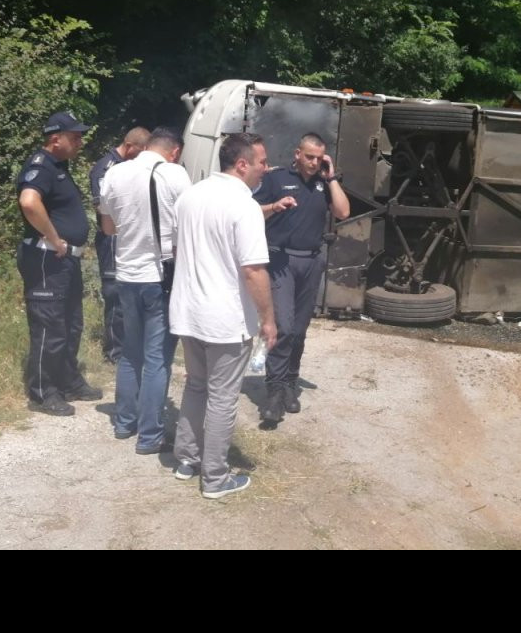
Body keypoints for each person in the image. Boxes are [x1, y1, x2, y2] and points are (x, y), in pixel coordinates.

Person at [169, 133, 277, 499]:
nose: (266, 168)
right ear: (242, 164)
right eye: (262, 161)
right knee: (222, 397)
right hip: (224, 319)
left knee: (196, 386)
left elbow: (178, 248)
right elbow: (254, 271)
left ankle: (187, 459)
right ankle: (215, 478)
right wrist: (268, 319)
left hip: (188, 311)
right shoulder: (243, 205)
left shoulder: (190, 196)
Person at [98, 126, 191, 454]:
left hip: (126, 275)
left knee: (130, 352)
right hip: (159, 278)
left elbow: (108, 227)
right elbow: (187, 231)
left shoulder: (114, 174)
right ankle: (150, 436)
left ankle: (124, 423)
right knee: (157, 357)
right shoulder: (175, 175)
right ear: (174, 151)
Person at [252, 133, 351, 422]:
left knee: (299, 328)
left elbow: (343, 212)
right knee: (283, 325)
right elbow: (250, 211)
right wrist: (273, 206)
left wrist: (331, 178)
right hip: (281, 259)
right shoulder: (275, 179)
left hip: (311, 260)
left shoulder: (323, 183)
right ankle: (274, 391)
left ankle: (289, 382)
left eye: (319, 158)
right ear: (297, 154)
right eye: (309, 156)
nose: (313, 162)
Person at [16, 111, 102, 416]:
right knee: (49, 326)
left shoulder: (58, 166)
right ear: (56, 139)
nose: (80, 142)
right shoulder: (41, 166)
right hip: (46, 259)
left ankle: (68, 381)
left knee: (71, 324)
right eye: (75, 137)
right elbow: (29, 202)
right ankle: (42, 392)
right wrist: (53, 238)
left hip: (65, 262)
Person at [90, 127, 150, 362]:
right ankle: (114, 351)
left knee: (131, 291)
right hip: (111, 237)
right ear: (131, 146)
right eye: (140, 152)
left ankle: (131, 344)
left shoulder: (127, 167)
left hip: (128, 236)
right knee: (114, 292)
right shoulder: (106, 168)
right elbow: (101, 205)